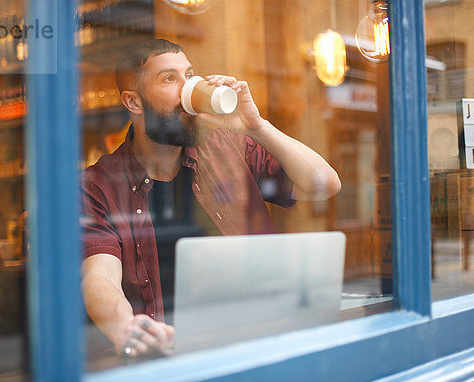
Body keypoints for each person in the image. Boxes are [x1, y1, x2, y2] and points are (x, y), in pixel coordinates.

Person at [81, 39, 341, 358]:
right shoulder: (98, 184)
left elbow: (324, 185)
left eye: (189, 75)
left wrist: (256, 127)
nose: (188, 87)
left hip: (259, 341)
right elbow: (100, 278)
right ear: (133, 102)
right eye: (169, 79)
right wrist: (128, 331)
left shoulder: (229, 146)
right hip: (170, 356)